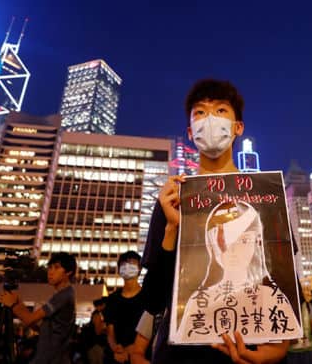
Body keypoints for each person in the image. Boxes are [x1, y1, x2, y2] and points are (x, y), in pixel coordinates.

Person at [141, 79, 291, 363]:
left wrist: (277, 349)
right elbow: (153, 300)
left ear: (238, 127)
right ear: (190, 132)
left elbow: (286, 279)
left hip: (250, 349)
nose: (209, 120)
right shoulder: (173, 198)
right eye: (199, 113)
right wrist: (172, 228)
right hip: (181, 355)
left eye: (221, 110)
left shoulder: (266, 198)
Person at [176, 200, 300, 343]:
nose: (234, 250)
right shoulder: (197, 303)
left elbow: (285, 341)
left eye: (245, 241)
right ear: (212, 244)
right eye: (225, 241)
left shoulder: (272, 299)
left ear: (257, 243)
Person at [0, 252, 77, 364]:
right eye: (50, 267)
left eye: (56, 268)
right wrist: (18, 304)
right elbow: (39, 327)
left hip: (51, 359)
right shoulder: (65, 294)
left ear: (68, 272)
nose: (51, 272)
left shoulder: (64, 295)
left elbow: (30, 319)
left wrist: (12, 305)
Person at [105, 251, 146, 364]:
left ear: (140, 269)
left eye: (132, 263)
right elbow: (110, 330)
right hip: (116, 357)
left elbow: (150, 330)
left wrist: (130, 350)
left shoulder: (148, 298)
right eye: (123, 264)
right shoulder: (112, 299)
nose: (127, 266)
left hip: (140, 356)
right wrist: (116, 348)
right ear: (119, 270)